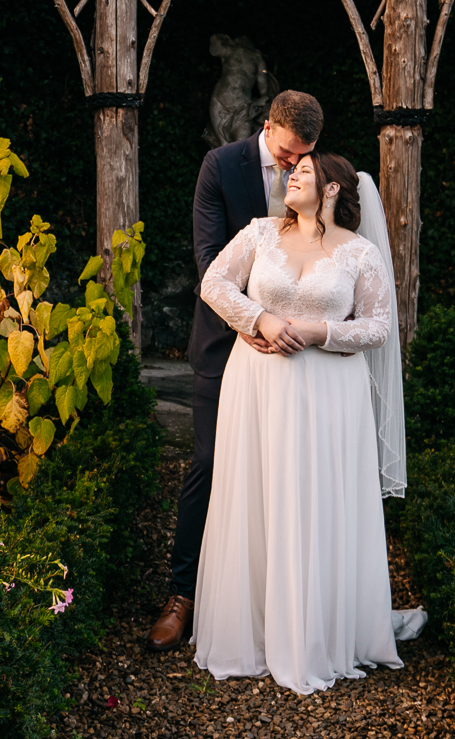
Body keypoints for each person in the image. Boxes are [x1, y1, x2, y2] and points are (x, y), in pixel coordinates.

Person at [190, 150, 420, 694]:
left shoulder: (360, 254)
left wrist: (320, 333)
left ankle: (313, 632)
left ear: (333, 189)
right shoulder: (260, 233)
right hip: (258, 387)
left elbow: (379, 327)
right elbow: (214, 284)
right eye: (291, 170)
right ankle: (253, 633)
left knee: (313, 501)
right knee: (257, 497)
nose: (291, 175)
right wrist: (259, 317)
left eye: (304, 171)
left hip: (328, 396)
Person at [144, 90, 324, 653]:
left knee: (285, 474)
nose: (297, 166)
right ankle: (183, 595)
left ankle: (275, 603)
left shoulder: (319, 172)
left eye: (306, 157)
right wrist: (255, 319)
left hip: (296, 354)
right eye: (290, 154)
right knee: (208, 462)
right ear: (267, 127)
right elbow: (208, 260)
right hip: (227, 343)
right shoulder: (221, 167)